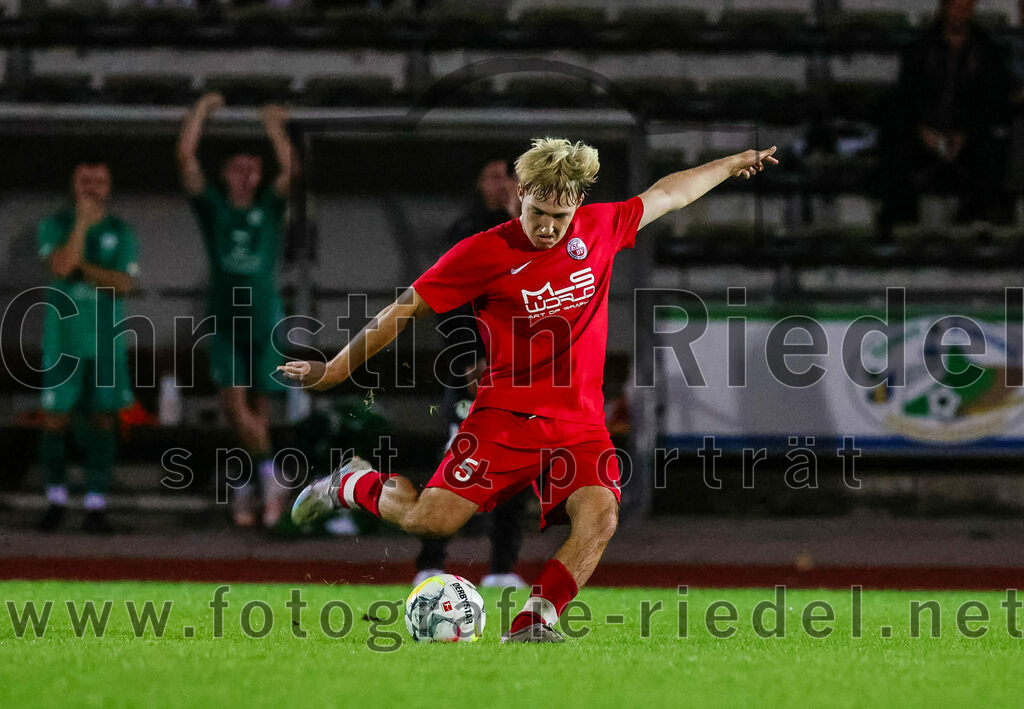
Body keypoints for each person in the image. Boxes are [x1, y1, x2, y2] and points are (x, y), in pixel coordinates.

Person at [283, 137, 777, 642]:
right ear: (520, 194)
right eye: (538, 212)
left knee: (600, 517)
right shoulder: (484, 251)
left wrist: (729, 163)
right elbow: (404, 308)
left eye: (559, 217)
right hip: (504, 419)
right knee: (430, 522)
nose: (547, 227)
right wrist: (336, 368)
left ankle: (534, 621)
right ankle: (352, 483)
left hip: (580, 424)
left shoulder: (600, 227)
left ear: (578, 204)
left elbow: (669, 194)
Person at [177, 92, 299, 529]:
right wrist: (200, 111)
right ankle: (272, 477)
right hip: (226, 322)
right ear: (226, 174)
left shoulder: (269, 207)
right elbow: (186, 158)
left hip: (265, 320)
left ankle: (248, 488)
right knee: (234, 408)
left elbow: (290, 171)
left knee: (258, 415)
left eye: (253, 170)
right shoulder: (214, 208)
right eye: (238, 169)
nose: (246, 176)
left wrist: (274, 127)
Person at [415, 158, 528, 589]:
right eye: (495, 177)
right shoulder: (469, 234)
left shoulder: (541, 236)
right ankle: (431, 561)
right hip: (474, 370)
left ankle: (502, 567)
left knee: (517, 465)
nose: (505, 185)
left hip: (521, 374)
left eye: (511, 177)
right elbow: (447, 298)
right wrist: (468, 358)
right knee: (458, 461)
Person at [36, 158, 140, 534]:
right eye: (85, 180)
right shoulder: (55, 225)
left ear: (109, 187)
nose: (93, 188)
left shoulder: (121, 231)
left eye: (100, 181)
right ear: (73, 184)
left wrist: (86, 269)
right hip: (62, 342)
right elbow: (62, 266)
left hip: (106, 343)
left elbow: (122, 285)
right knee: (54, 419)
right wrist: (81, 223)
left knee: (103, 419)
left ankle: (95, 505)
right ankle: (56, 501)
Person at [878, 0, 1017, 231]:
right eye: (958, 7)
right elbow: (905, 99)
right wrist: (923, 131)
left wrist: (965, 135)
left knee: (993, 150)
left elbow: (992, 103)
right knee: (895, 145)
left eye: (967, 7)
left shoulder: (986, 51)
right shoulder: (920, 49)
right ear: (944, 8)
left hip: (968, 136)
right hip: (925, 134)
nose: (963, 13)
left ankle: (975, 224)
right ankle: (899, 225)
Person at [414, 354, 530, 589]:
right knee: (451, 477)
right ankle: (430, 565)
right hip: (468, 426)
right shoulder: (466, 373)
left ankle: (501, 570)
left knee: (516, 477)